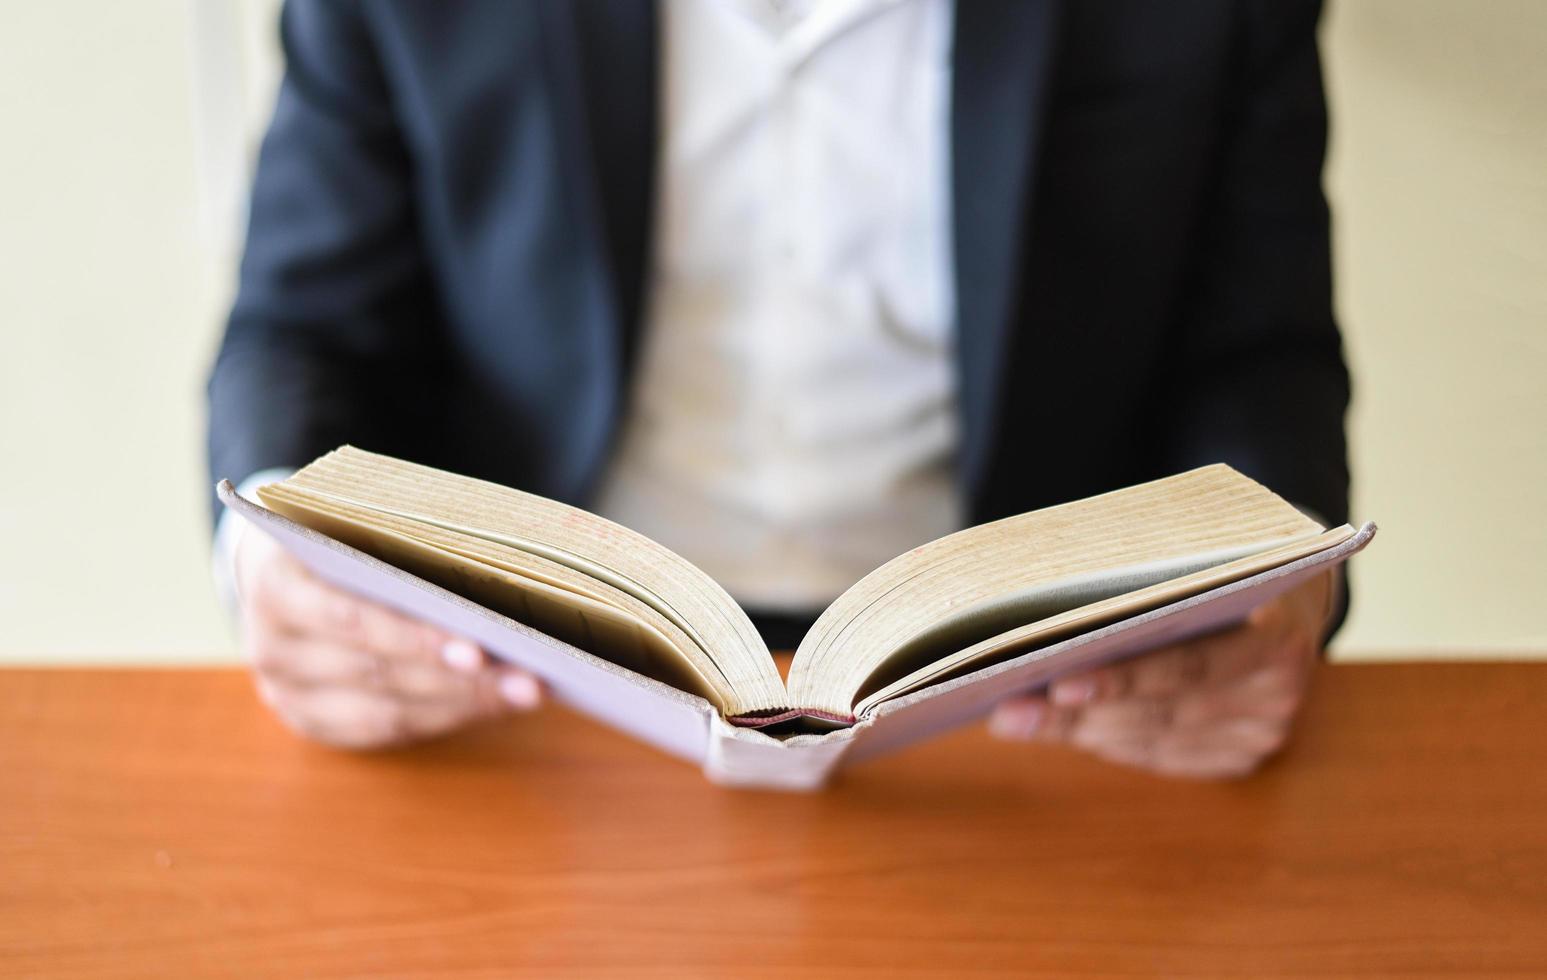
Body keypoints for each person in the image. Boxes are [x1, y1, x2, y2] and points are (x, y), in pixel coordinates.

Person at [209, 0, 1351, 779]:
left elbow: (1256, 355)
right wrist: (273, 551)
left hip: (1027, 705)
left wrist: (1268, 598)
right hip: (531, 687)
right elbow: (305, 330)